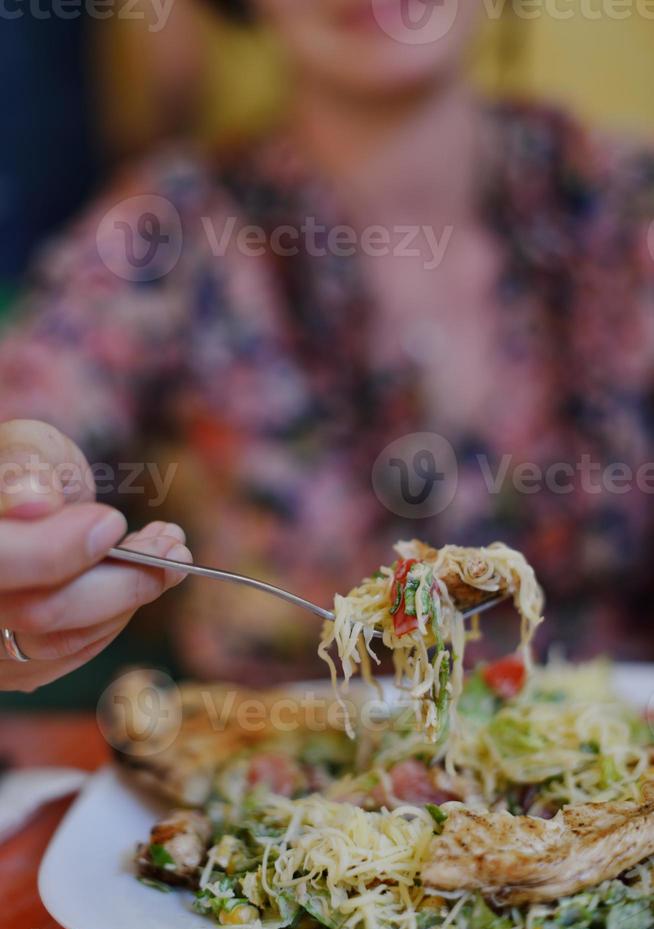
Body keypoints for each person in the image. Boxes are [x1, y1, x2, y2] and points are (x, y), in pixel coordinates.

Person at [1, 0, 653, 693]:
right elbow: (35, 401)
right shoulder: (175, 229)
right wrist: (24, 495)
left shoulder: (626, 207)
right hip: (276, 777)